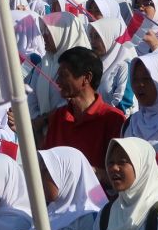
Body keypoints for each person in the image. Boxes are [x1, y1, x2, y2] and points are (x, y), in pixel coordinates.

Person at [43, 46, 126, 175]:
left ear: (86, 78)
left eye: (64, 75)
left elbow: (119, 176)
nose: (57, 82)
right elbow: (46, 162)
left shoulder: (113, 119)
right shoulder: (59, 116)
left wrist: (84, 173)